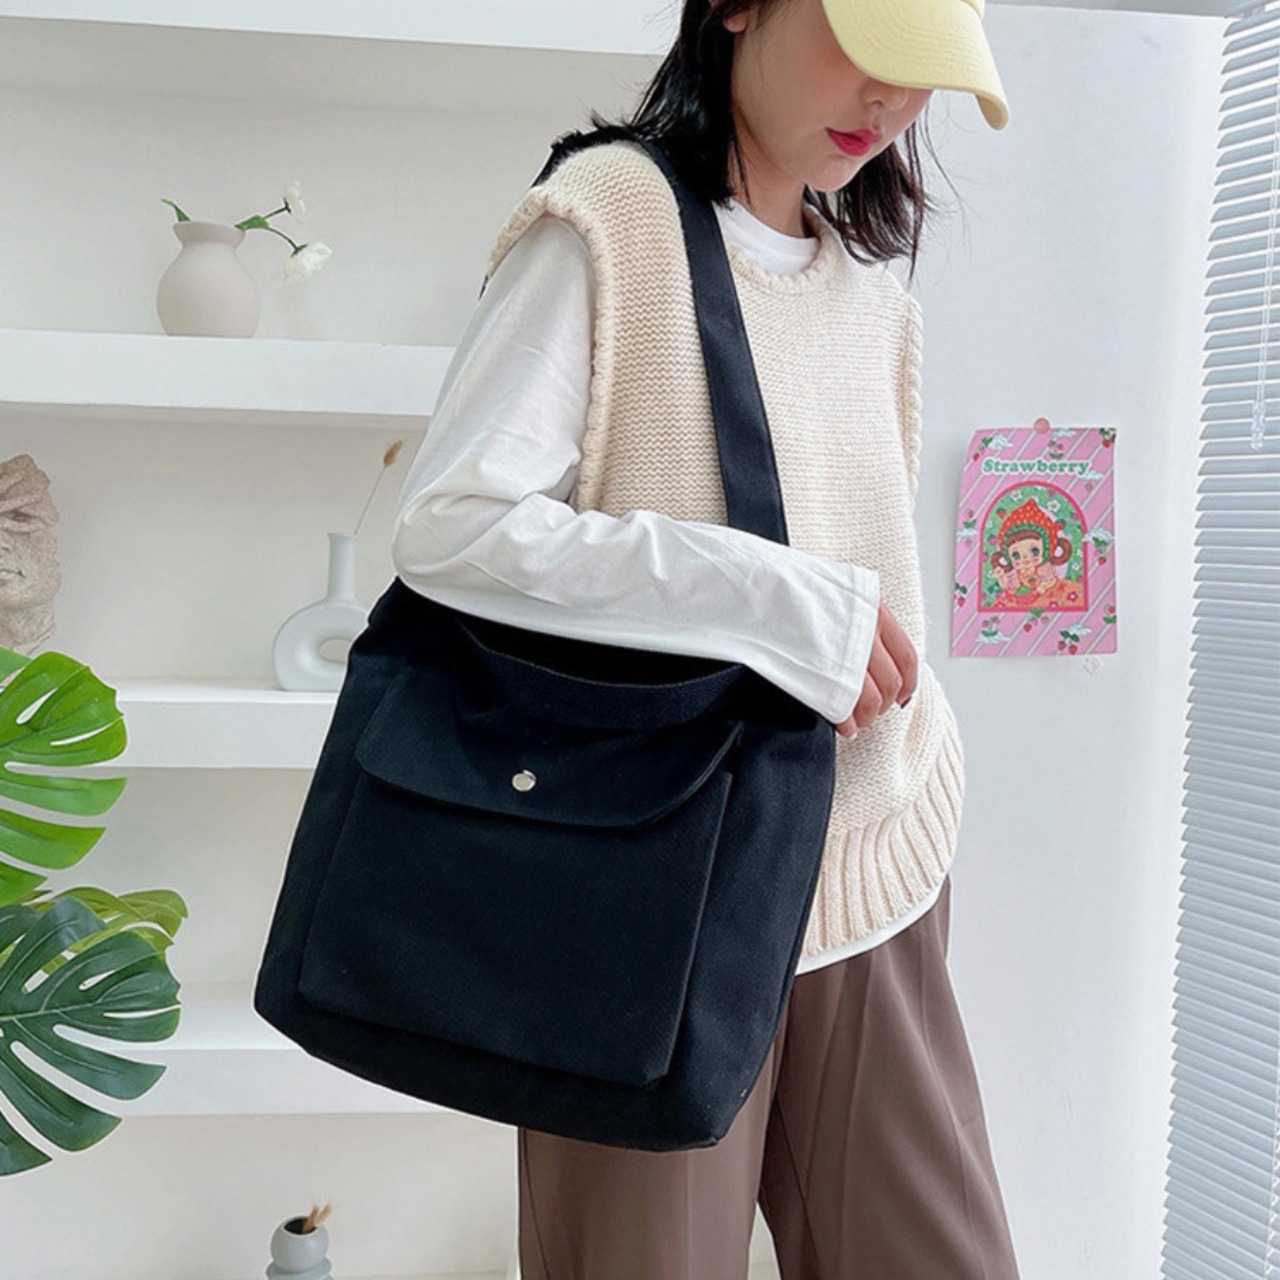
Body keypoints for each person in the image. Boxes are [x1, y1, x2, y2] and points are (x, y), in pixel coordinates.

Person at [389, 0, 1022, 1274]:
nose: (892, 99)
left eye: (925, 71)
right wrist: (772, 596)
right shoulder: (610, 219)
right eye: (864, 40)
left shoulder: (873, 297)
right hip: (651, 885)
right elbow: (452, 524)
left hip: (868, 866)